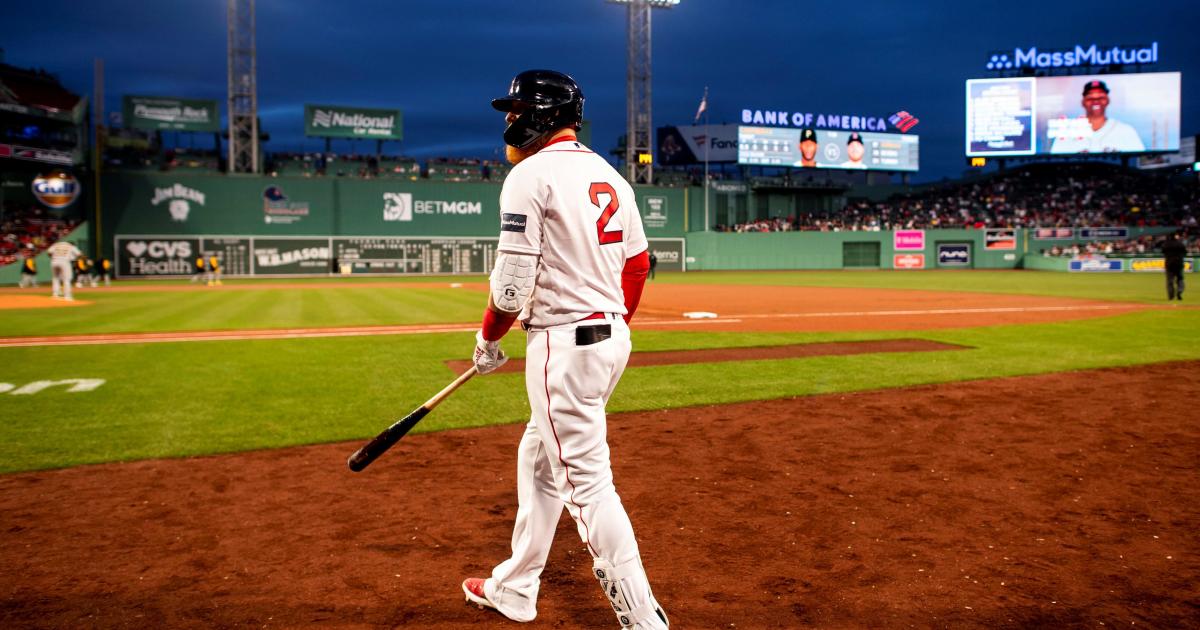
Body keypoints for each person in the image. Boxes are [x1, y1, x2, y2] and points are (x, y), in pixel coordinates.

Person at [461, 69, 668, 630]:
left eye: (515, 110)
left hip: (563, 345)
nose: (509, 121)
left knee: (587, 485)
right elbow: (638, 266)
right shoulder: (610, 175)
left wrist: (487, 339)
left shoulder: (531, 175)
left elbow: (509, 286)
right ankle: (515, 586)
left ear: (541, 114)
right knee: (538, 458)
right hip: (609, 340)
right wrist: (613, 322)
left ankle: (643, 620)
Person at [1050, 80, 1145, 154]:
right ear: (1083, 102)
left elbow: (1140, 162)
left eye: (1101, 97)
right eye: (1090, 98)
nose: (1096, 101)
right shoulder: (1067, 133)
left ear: (1107, 100)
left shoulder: (1125, 130)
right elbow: (1054, 164)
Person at [1162, 232, 1187, 301]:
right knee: (1180, 279)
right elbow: (1185, 252)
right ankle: (1179, 291)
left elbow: (1163, 252)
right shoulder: (1180, 244)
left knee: (1170, 281)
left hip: (1169, 264)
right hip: (1179, 264)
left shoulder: (1166, 244)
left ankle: (1171, 296)